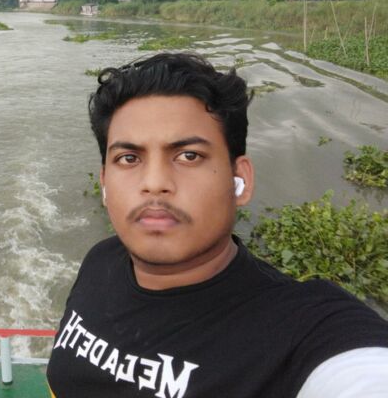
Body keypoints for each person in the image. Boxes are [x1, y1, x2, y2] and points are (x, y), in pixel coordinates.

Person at [46, 53, 388, 398]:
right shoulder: (100, 260)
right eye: (129, 158)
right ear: (105, 184)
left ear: (240, 179)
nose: (154, 182)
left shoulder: (301, 330)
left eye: (189, 155)